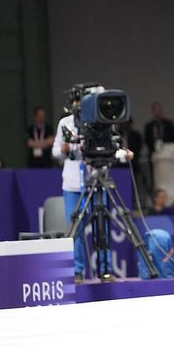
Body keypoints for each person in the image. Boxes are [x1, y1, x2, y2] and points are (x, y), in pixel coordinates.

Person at [52, 98, 134, 283]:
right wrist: (64, 149)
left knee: (102, 225)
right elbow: (55, 152)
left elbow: (111, 149)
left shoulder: (101, 121)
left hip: (97, 181)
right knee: (76, 228)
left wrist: (123, 155)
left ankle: (106, 270)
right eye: (78, 103)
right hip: (73, 184)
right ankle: (77, 272)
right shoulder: (65, 123)